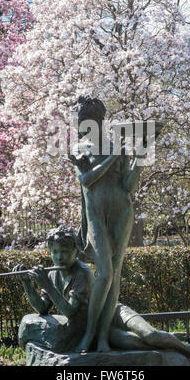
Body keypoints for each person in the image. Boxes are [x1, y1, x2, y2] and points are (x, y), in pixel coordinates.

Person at [14, 225, 190, 364]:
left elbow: (71, 311)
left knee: (150, 335)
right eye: (55, 252)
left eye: (64, 252)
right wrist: (27, 284)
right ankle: (170, 341)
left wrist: (47, 285)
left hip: (113, 313)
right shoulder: (52, 273)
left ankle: (187, 349)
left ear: (75, 251)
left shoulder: (82, 273)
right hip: (96, 329)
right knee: (138, 344)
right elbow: (42, 308)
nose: (59, 257)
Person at [69, 96, 147, 353]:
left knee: (115, 276)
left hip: (122, 213)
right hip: (96, 216)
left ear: (97, 121)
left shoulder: (117, 148)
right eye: (78, 122)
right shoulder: (78, 149)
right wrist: (113, 155)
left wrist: (143, 154)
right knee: (105, 273)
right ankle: (89, 335)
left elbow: (128, 185)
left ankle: (103, 338)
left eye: (83, 121)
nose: (79, 126)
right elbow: (88, 180)